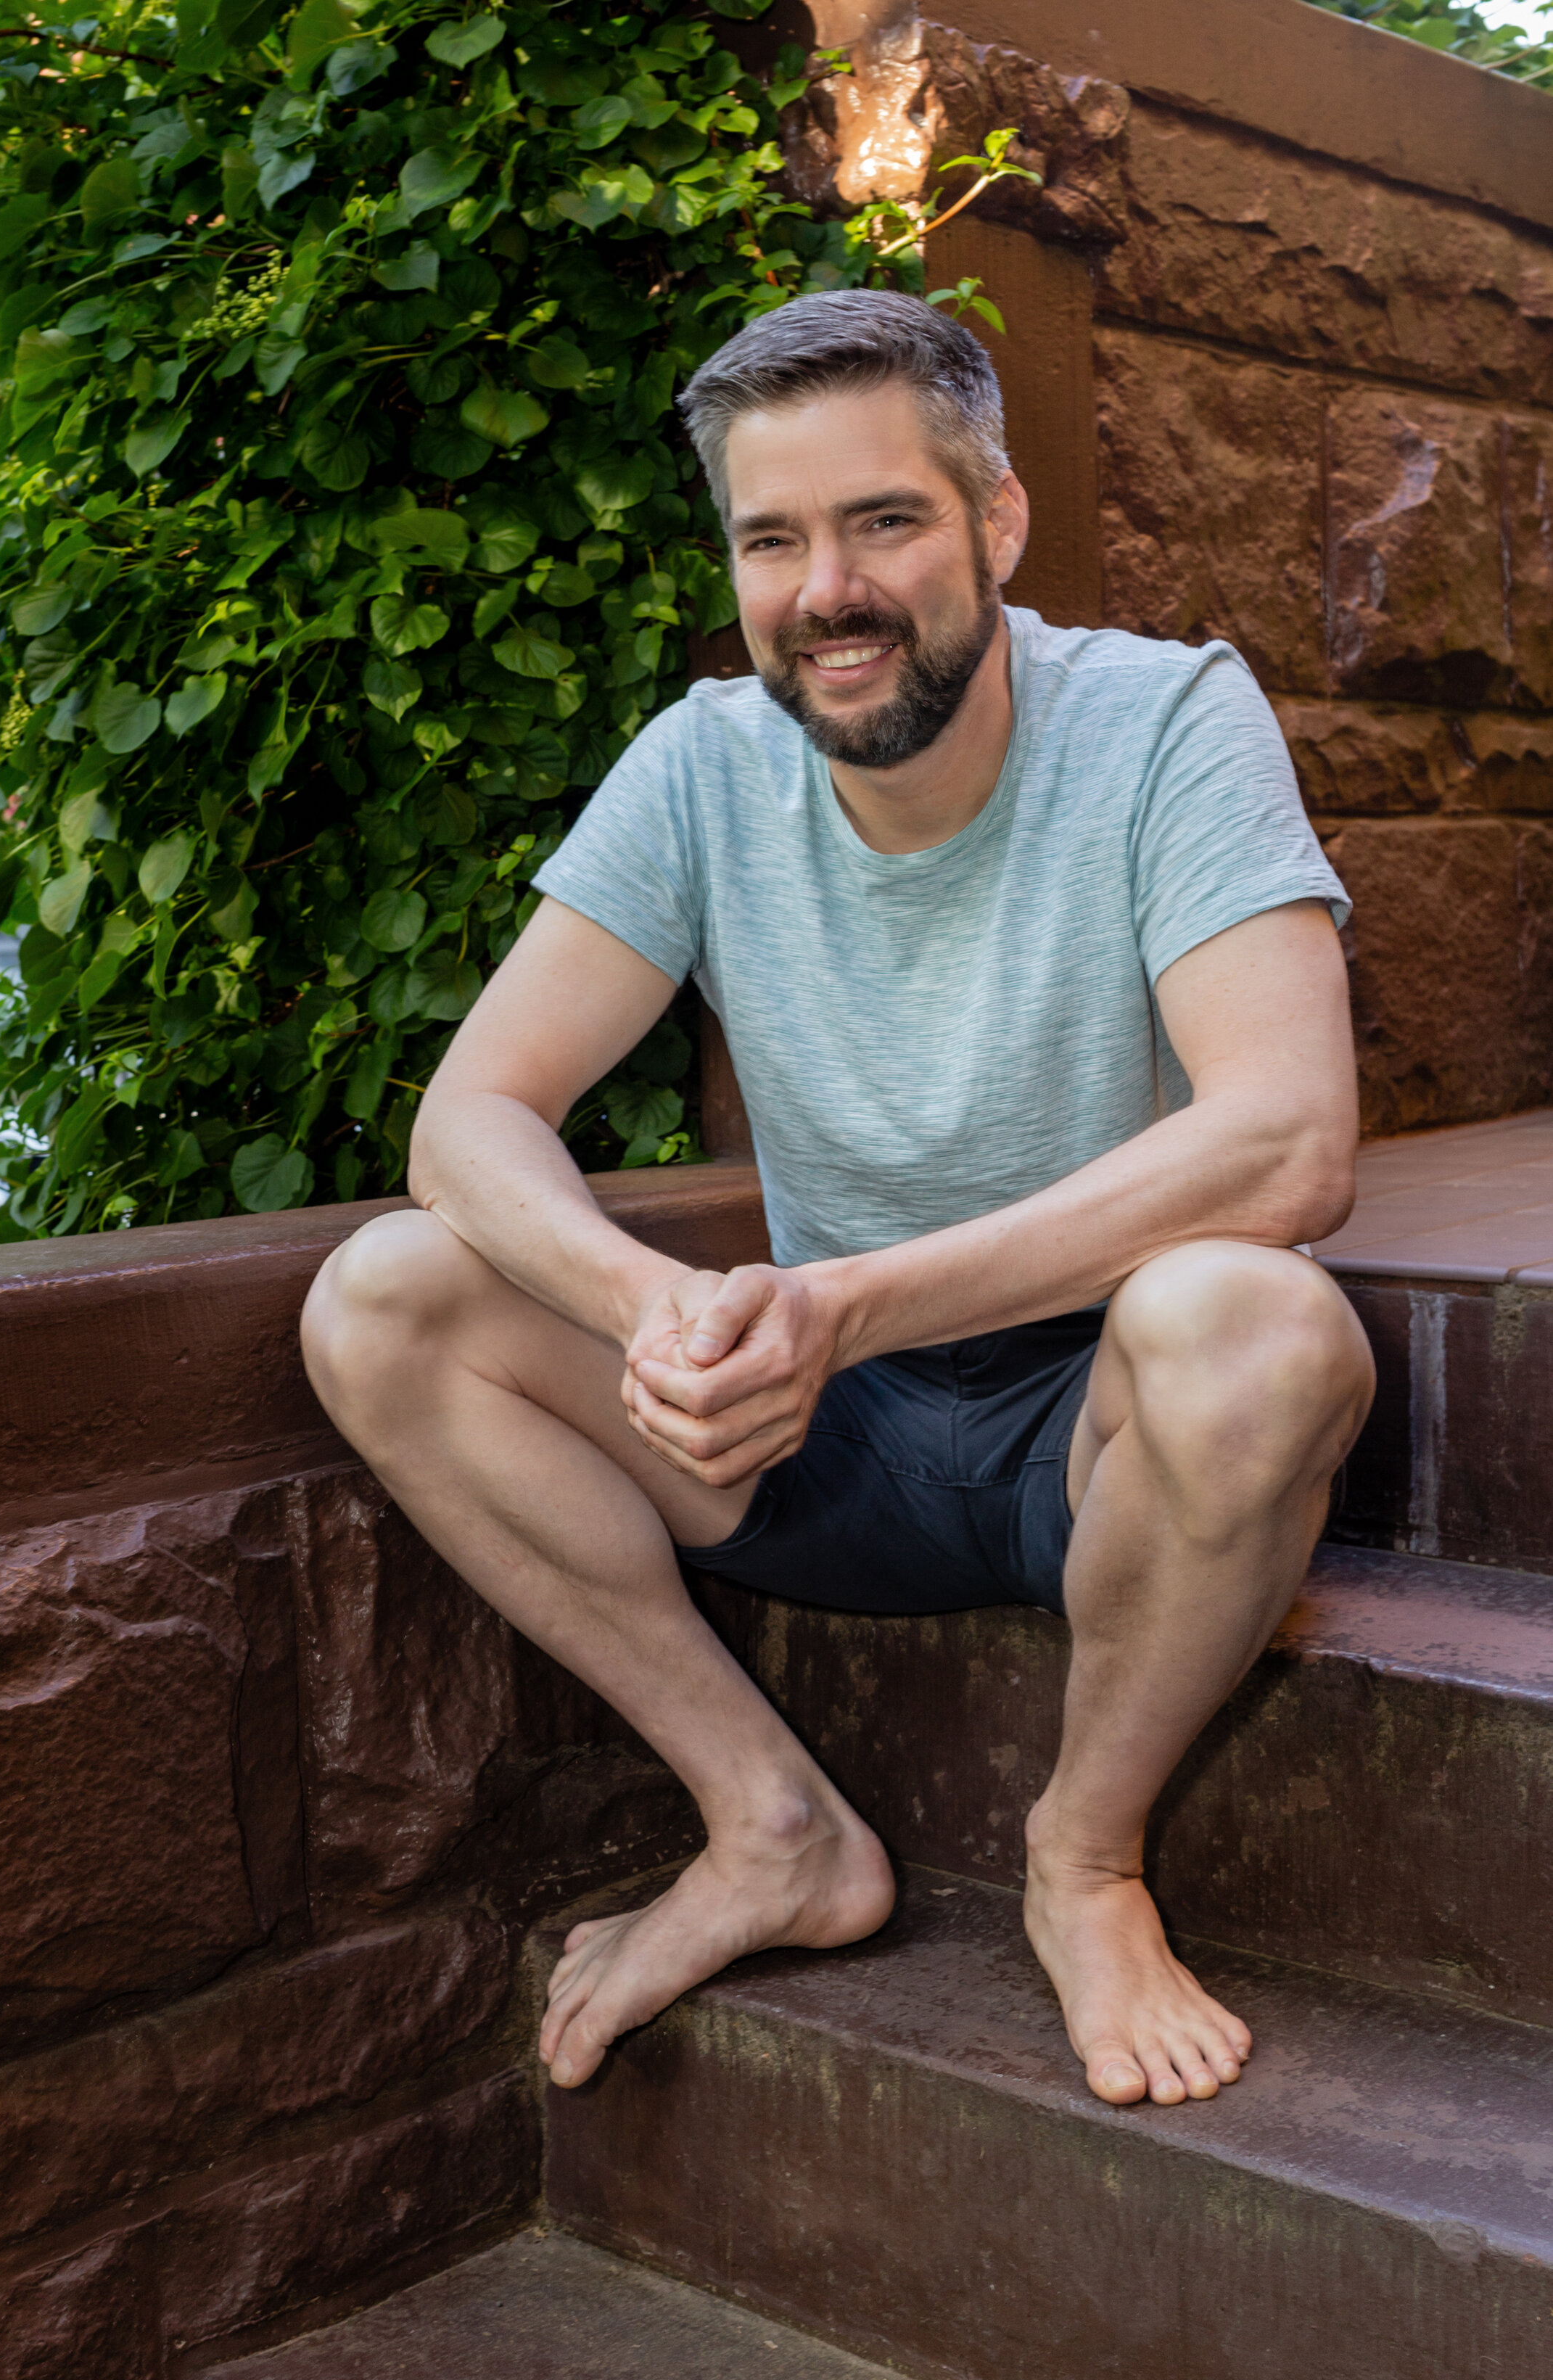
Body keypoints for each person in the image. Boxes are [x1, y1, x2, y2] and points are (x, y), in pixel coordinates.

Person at [302, 289, 1374, 2112]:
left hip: (1096, 1433)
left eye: (882, 521)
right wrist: (650, 1311)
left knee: (1250, 1322)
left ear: (996, 523)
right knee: (385, 1296)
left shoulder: (1166, 720)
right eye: (772, 539)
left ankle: (1084, 1861)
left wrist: (850, 1304)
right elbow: (470, 1115)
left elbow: (1288, 1139)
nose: (826, 591)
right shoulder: (705, 764)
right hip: (820, 1442)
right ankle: (768, 1823)